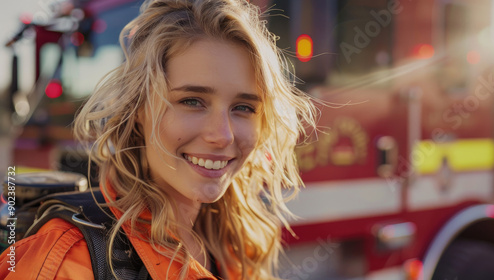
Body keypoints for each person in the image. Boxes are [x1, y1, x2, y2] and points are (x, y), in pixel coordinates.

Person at [0, 0, 316, 279]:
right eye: (192, 101)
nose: (222, 135)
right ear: (138, 108)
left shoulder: (234, 243)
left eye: (244, 107)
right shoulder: (68, 257)